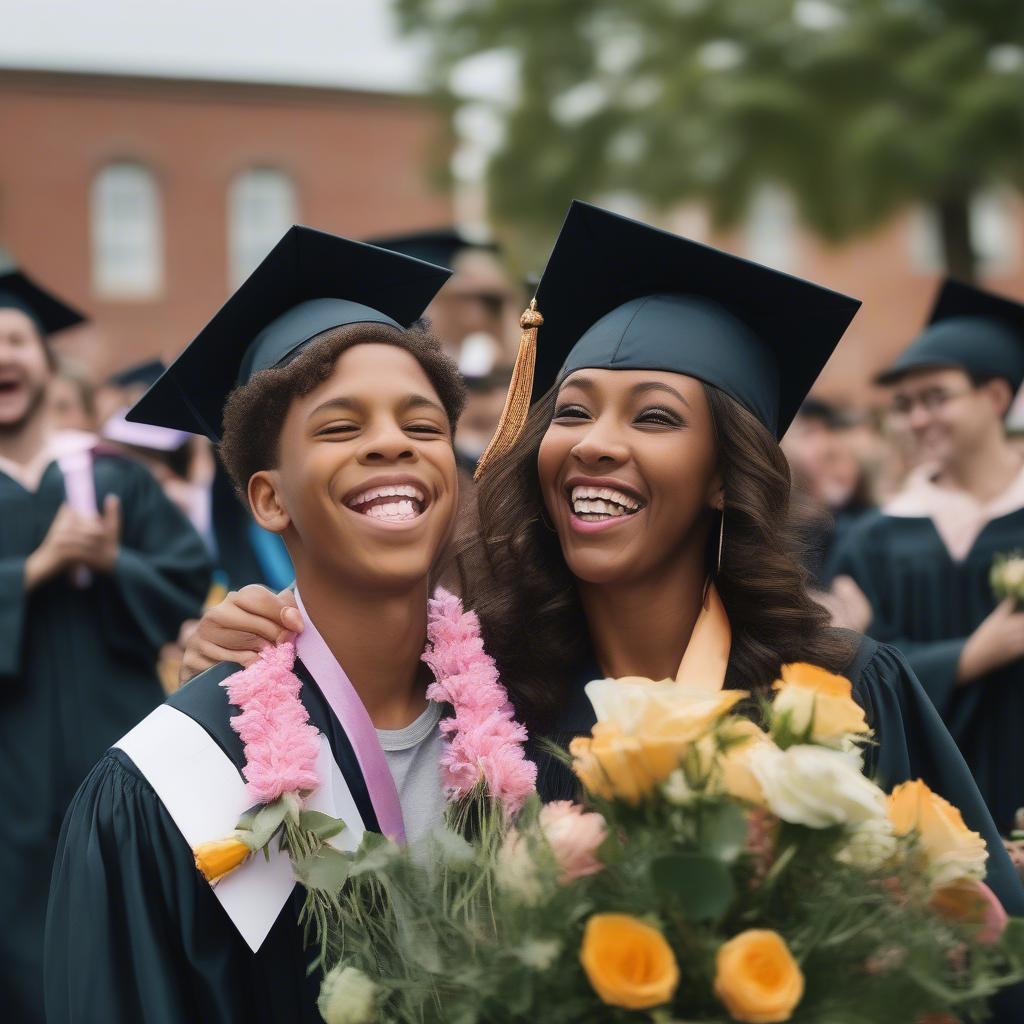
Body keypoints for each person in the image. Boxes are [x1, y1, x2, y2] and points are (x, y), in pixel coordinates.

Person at [190, 206, 1024, 994]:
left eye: (654, 418)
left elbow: (977, 957)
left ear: (726, 478)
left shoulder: (838, 692)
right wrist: (244, 644)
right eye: (574, 411)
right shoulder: (484, 699)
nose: (595, 444)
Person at [45, 226, 466, 1023]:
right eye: (341, 428)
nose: (391, 445)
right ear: (269, 499)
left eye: (423, 426)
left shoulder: (524, 722)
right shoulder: (167, 784)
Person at [0, 269, 211, 1023]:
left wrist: (110, 562)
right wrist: (37, 569)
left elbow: (189, 581)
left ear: (47, 364)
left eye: (17, 339)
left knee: (128, 909)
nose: (4, 356)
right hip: (9, 771)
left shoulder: (114, 478)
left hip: (117, 746)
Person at [829, 280, 1024, 836]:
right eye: (906, 405)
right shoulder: (876, 538)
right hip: (929, 801)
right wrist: (969, 656)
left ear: (994, 397)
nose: (917, 419)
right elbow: (862, 670)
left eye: (936, 397)